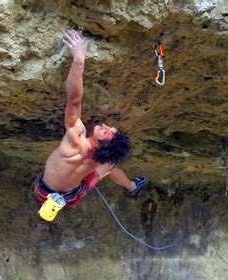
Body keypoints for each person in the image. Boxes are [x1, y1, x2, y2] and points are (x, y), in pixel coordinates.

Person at [33, 29, 147, 209]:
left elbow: (74, 100)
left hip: (43, 191)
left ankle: (132, 186)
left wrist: (78, 60)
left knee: (107, 166)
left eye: (107, 132)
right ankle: (132, 187)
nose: (106, 125)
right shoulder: (102, 157)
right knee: (110, 167)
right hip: (71, 197)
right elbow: (112, 157)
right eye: (111, 128)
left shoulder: (76, 138)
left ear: (102, 144)